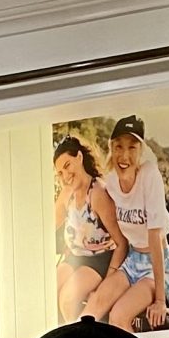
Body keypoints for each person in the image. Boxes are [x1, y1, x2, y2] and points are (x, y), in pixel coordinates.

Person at [85, 118, 169, 332]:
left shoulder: (149, 175)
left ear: (141, 151)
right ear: (111, 148)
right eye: (119, 147)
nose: (124, 156)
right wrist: (105, 286)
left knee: (118, 316)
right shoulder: (111, 182)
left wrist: (160, 300)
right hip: (132, 261)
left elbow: (155, 236)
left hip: (158, 264)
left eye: (132, 147)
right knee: (91, 311)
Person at [52, 136, 123, 324]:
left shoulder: (98, 193)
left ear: (79, 157)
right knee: (48, 292)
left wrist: (108, 282)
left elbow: (121, 243)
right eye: (60, 173)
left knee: (67, 300)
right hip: (74, 256)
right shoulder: (67, 193)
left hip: (98, 260)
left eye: (67, 166)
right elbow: (48, 226)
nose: (65, 176)